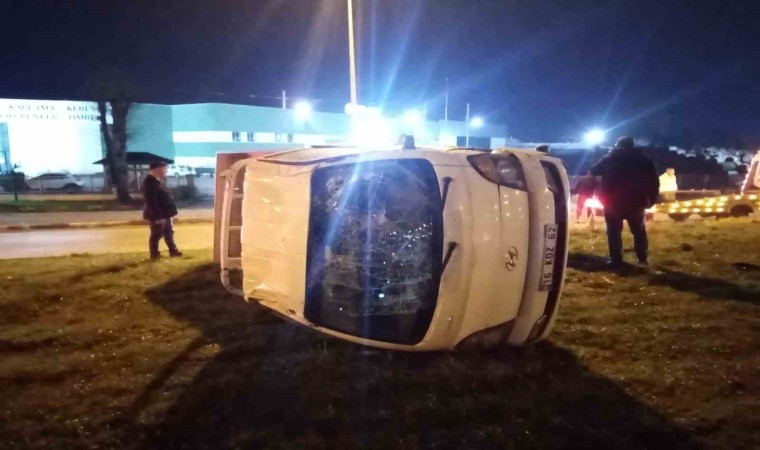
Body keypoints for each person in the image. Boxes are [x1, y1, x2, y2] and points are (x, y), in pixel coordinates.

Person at [590, 136, 659, 267]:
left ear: (618, 145)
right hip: (636, 201)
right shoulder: (644, 160)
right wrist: (651, 199)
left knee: (613, 232)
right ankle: (642, 258)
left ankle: (616, 260)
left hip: (612, 202)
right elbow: (654, 182)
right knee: (639, 231)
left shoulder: (610, 159)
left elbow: (593, 171)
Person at [142, 161, 182, 260]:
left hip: (166, 214)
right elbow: (151, 201)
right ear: (157, 169)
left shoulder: (159, 181)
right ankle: (154, 255)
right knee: (156, 235)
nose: (166, 171)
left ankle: (173, 251)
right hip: (158, 215)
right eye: (165, 169)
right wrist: (158, 216)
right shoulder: (149, 182)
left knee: (169, 233)